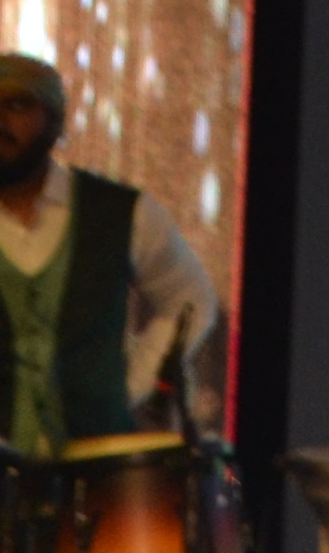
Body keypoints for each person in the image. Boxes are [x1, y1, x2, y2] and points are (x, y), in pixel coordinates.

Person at [0, 52, 223, 458]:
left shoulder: (122, 213)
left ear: (53, 119)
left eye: (16, 105)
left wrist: (132, 383)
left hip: (100, 469)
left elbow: (191, 299)